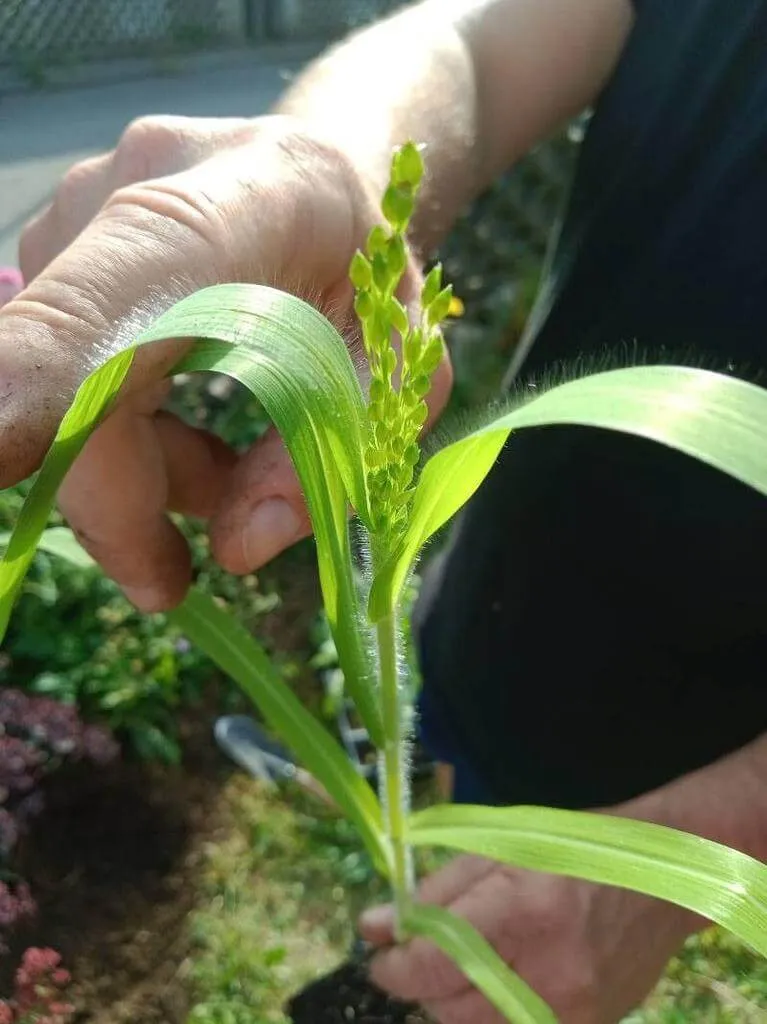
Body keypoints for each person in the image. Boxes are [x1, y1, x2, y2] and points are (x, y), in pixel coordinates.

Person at [2, 0, 767, 1020]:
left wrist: (678, 866)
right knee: (424, 817)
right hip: (486, 620)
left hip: (682, 760)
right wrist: (324, 164)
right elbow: (473, 44)